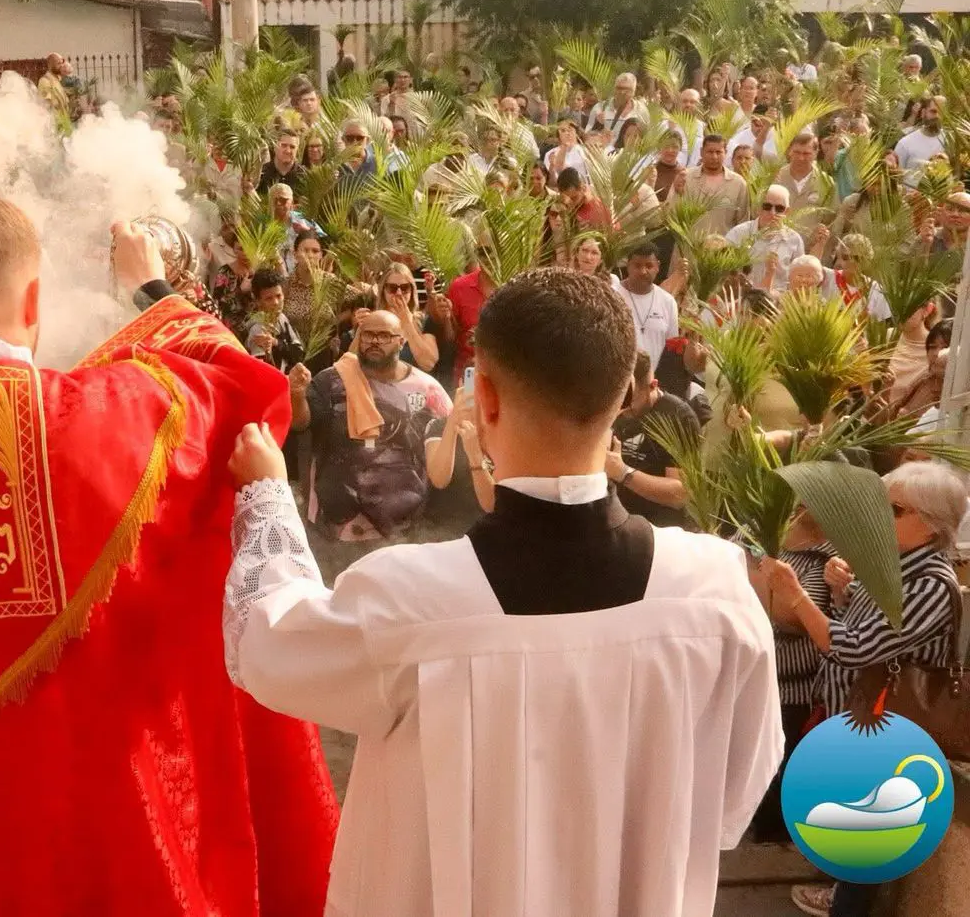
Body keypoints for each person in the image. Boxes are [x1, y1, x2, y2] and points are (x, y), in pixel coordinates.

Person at [0, 192, 338, 915]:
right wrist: (153, 290)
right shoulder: (133, 417)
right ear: (36, 295)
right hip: (120, 854)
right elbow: (240, 383)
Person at [224, 268, 781, 916]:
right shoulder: (716, 596)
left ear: (483, 398)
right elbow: (731, 800)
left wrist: (265, 494)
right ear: (626, 398)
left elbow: (268, 643)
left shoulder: (409, 601)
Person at [768, 461, 964, 917]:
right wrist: (842, 594)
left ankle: (847, 906)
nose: (879, 516)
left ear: (931, 524)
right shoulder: (891, 568)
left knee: (870, 829)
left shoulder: (931, 583)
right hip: (856, 711)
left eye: (893, 509)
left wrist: (796, 595)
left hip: (887, 722)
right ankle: (841, 894)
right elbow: (860, 627)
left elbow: (855, 648)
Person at [289, 308, 452, 542]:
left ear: (401, 341)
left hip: (408, 532)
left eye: (384, 335)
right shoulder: (331, 382)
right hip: (337, 533)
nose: (374, 341)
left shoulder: (427, 390)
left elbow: (450, 448)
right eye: (368, 334)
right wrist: (296, 394)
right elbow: (301, 423)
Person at [608, 351, 696, 526]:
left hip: (658, 530)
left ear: (653, 385)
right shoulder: (615, 409)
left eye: (631, 401)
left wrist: (623, 472)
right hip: (617, 522)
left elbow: (680, 494)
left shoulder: (678, 417)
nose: (623, 409)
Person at [726, 185, 804, 292]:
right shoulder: (738, 234)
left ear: (787, 212)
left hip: (778, 302)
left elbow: (800, 276)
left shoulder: (794, 239)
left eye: (779, 208)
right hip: (742, 298)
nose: (773, 213)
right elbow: (723, 270)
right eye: (767, 207)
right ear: (758, 208)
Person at [616, 242, 679, 368]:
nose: (643, 271)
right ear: (628, 266)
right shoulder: (612, 294)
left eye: (649, 266)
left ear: (658, 267)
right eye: (637, 266)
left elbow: (671, 347)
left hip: (651, 382)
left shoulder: (668, 302)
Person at [687, 133, 751, 234]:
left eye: (718, 152)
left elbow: (743, 222)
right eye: (710, 152)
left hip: (723, 247)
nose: (714, 156)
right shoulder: (686, 178)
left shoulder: (738, 184)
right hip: (689, 247)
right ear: (701, 152)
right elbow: (673, 215)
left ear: (725, 153)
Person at [245, 268, 305, 373]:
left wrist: (276, 343)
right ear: (258, 301)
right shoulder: (258, 329)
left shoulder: (282, 318)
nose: (276, 302)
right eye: (269, 298)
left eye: (279, 296)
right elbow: (263, 371)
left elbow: (298, 353)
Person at [893, 95, 945, 186]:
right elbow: (894, 176)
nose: (937, 116)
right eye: (933, 111)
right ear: (923, 113)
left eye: (942, 112)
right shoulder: (905, 143)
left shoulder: (950, 141)